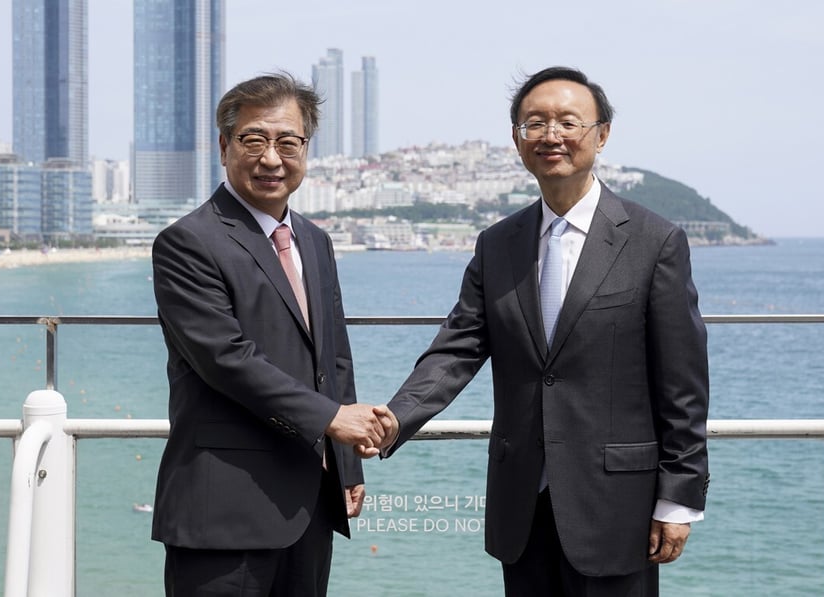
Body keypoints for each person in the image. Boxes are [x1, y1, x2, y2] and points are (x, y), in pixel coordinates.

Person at [373, 66, 710, 596]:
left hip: (617, 504)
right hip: (521, 500)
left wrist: (679, 497)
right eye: (535, 123)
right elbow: (458, 348)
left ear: (602, 134)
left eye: (568, 122)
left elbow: (683, 384)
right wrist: (392, 419)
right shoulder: (497, 243)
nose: (551, 135)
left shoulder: (654, 241)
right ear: (516, 140)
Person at [150, 73, 389, 596]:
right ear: (223, 147)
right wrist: (332, 418)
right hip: (224, 508)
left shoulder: (315, 240)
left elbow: (334, 360)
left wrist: (346, 464)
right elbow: (225, 359)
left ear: (306, 150)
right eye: (253, 139)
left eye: (288, 142)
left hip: (310, 502)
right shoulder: (188, 242)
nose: (271, 158)